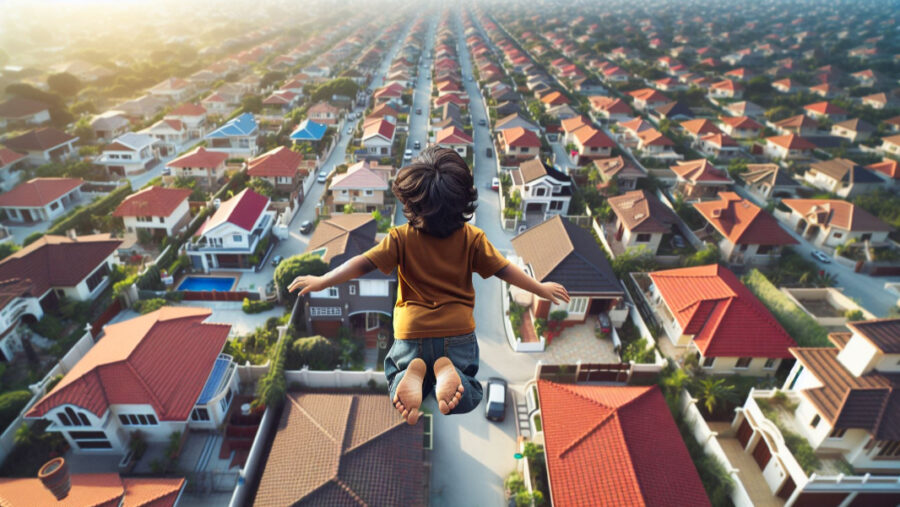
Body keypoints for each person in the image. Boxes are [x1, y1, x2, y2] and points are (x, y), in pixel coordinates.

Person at [289, 146, 569, 424]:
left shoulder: (400, 238)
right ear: (464, 201)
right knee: (467, 393)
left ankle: (409, 372)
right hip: (457, 331)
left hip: (411, 330)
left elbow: (361, 263)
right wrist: (540, 288)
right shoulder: (473, 238)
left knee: (395, 380)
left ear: (412, 201)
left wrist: (322, 280)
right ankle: (450, 373)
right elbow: (505, 270)